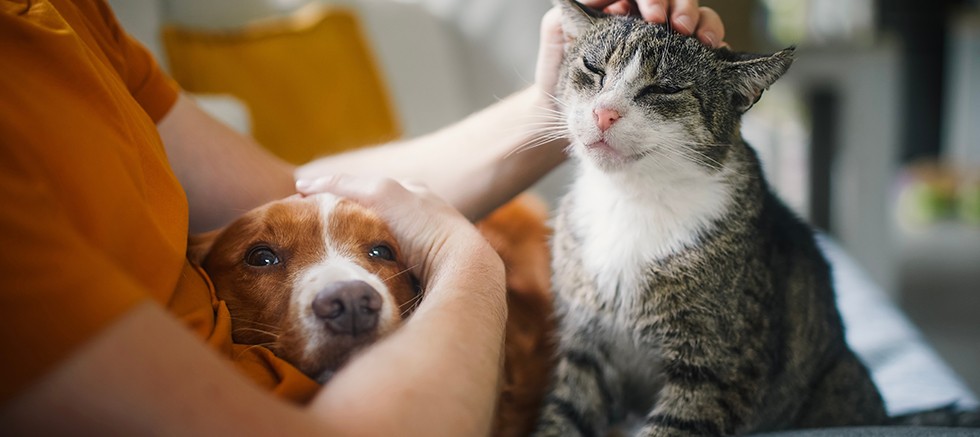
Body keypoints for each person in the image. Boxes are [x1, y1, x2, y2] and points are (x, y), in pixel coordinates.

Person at [0, 0, 724, 434]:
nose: (350, 292)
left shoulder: (72, 17)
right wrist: (463, 259)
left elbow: (295, 194)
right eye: (261, 258)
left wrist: (559, 101)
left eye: (381, 256)